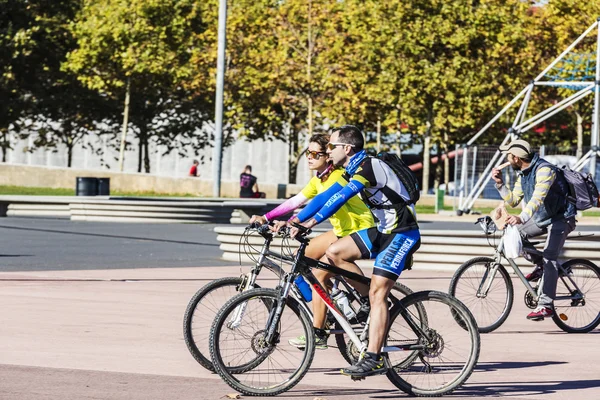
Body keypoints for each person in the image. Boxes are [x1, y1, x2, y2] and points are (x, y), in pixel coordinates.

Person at [292, 125, 420, 378]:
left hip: (401, 232)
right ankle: (366, 301)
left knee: (378, 292)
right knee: (334, 252)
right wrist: (295, 220)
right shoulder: (352, 168)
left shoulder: (366, 167)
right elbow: (327, 196)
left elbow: (340, 197)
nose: (328, 151)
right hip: (382, 231)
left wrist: (309, 222)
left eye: (331, 146)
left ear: (347, 148)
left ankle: (374, 357)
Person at [249, 133, 375, 350]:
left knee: (319, 274)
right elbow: (297, 200)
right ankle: (332, 297)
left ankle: (321, 329)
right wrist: (269, 218)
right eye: (308, 152)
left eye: (315, 153)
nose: (309, 157)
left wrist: (298, 222)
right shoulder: (318, 179)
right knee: (300, 261)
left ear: (328, 156)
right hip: (340, 230)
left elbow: (323, 203)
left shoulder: (337, 176)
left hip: (359, 229)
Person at [491, 138, 576, 321]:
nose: (507, 158)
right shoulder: (524, 173)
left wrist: (521, 217)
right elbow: (513, 200)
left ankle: (546, 306)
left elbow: (536, 200)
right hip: (542, 218)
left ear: (515, 157)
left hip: (561, 218)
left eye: (508, 155)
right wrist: (499, 183)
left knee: (550, 257)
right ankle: (541, 266)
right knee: (517, 235)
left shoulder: (545, 170)